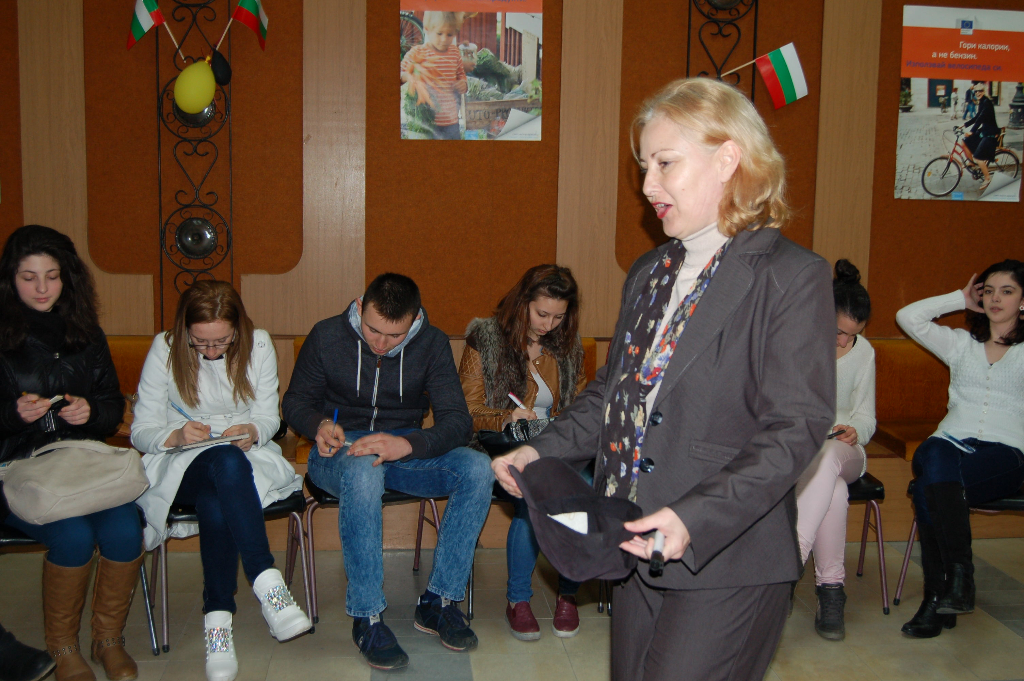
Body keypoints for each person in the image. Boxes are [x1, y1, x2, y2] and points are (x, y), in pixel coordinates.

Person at [493, 78, 835, 681]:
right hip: (636, 537)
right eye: (644, 166)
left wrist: (694, 518)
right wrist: (540, 449)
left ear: (727, 159)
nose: (648, 185)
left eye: (665, 163)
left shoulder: (789, 275)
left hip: (725, 556)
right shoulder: (650, 272)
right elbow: (615, 393)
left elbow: (796, 427)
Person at [283, 273, 493, 671]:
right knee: (364, 471)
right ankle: (367, 617)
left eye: (395, 336)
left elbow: (457, 422)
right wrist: (318, 425)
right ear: (359, 307)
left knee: (478, 468)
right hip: (339, 451)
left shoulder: (431, 343)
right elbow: (294, 403)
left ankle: (439, 601)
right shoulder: (326, 336)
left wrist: (409, 444)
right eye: (373, 330)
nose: (381, 344)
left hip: (402, 450)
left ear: (414, 320)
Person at [132, 281, 309, 681]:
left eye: (221, 342)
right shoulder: (164, 348)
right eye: (200, 342)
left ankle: (218, 625)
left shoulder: (259, 344)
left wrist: (254, 430)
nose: (211, 351)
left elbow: (269, 416)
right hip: (178, 462)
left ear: (238, 330)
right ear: (184, 331)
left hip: (242, 460)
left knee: (218, 497)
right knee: (224, 466)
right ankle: (267, 581)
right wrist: (174, 436)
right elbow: (141, 431)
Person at [0, 225, 141, 681]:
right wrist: (13, 414)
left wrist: (91, 411)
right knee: (74, 536)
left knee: (126, 528)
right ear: (10, 279)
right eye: (29, 277)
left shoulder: (85, 332)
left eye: (52, 276)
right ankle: (63, 648)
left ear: (68, 278)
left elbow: (112, 406)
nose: (42, 288)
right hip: (18, 468)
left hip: (80, 464)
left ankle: (108, 640)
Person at [458, 264, 589, 641]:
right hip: (505, 448)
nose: (549, 325)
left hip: (558, 446)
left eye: (559, 317)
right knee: (531, 495)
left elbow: (583, 407)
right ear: (523, 303)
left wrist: (565, 427)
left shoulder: (568, 345)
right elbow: (467, 410)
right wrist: (506, 416)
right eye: (542, 314)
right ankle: (518, 599)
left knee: (583, 486)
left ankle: (568, 594)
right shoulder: (486, 338)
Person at [896, 260, 1024, 639]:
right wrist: (959, 298)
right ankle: (959, 580)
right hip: (949, 445)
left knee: (928, 489)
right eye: (989, 291)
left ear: (1022, 301)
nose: (995, 298)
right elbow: (907, 317)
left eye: (1007, 291)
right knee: (935, 453)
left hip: (1004, 454)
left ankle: (937, 598)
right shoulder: (961, 344)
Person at [795, 259, 875, 641]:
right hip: (803, 451)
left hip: (847, 451)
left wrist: (856, 429)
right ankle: (831, 591)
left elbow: (867, 417)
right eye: (840, 332)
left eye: (853, 335)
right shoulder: (797, 341)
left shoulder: (865, 352)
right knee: (835, 492)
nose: (845, 342)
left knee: (830, 459)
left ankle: (790, 563)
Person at [400, 11, 468, 140]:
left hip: (451, 121)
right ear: (427, 29)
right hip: (426, 121)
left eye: (449, 34)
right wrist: (408, 76)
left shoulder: (454, 53)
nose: (444, 39)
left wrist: (463, 84)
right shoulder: (417, 53)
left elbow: (461, 74)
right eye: (439, 33)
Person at [961, 82, 1000, 192]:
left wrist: (972, 131)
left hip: (990, 133)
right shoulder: (982, 102)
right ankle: (971, 162)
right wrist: (964, 125)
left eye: (980, 91)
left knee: (978, 157)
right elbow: (977, 117)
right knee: (964, 142)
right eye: (976, 91)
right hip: (984, 131)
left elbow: (980, 119)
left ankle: (987, 178)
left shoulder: (987, 103)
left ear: (984, 91)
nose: (978, 93)